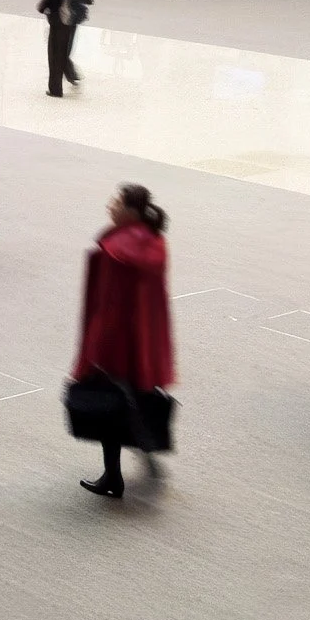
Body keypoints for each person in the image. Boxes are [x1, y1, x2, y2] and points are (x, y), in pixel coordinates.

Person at [69, 184, 175, 498]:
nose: (109, 207)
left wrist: (92, 354)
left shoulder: (117, 251)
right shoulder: (154, 242)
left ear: (128, 211)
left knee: (109, 408)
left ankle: (113, 477)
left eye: (114, 203)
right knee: (137, 398)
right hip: (144, 341)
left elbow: (107, 306)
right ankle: (145, 450)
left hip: (115, 346)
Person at [37, 0, 88, 98]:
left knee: (55, 57)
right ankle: (72, 75)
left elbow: (41, 8)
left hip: (57, 26)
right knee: (64, 52)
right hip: (71, 25)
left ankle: (55, 90)